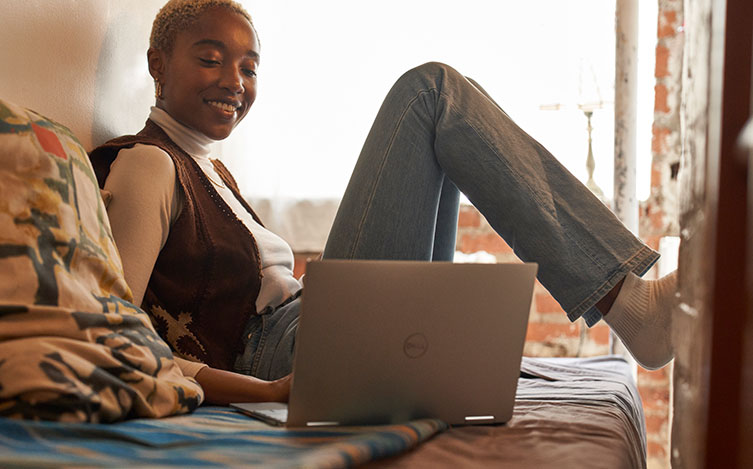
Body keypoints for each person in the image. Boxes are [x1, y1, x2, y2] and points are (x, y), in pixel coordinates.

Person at [89, 0, 678, 406]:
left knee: (456, 117)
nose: (235, 81)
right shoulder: (149, 163)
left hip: (311, 325)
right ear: (158, 65)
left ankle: (620, 306)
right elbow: (117, 340)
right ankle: (632, 309)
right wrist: (268, 392)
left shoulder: (211, 171)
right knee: (433, 93)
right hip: (287, 351)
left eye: (249, 67)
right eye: (211, 58)